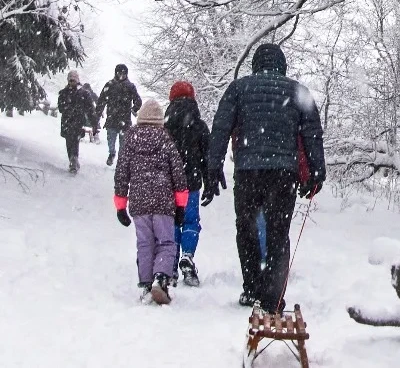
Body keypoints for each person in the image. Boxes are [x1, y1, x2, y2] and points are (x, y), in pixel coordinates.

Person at [203, 43, 325, 312]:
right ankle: (273, 298)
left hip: (248, 172)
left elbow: (220, 128)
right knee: (278, 234)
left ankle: (252, 289)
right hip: (284, 174)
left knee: (246, 231)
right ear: (282, 65)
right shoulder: (297, 91)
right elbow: (313, 133)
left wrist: (213, 168)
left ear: (255, 64)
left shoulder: (238, 89)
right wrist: (317, 171)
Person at [113, 100, 189, 305]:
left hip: (139, 202)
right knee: (166, 242)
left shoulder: (130, 139)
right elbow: (178, 174)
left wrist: (120, 204)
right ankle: (161, 277)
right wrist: (181, 204)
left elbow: (121, 172)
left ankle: (146, 283)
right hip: (163, 201)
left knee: (145, 243)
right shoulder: (165, 139)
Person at [164, 81, 209, 287]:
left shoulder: (165, 126)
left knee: (172, 221)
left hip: (169, 183)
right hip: (191, 182)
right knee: (191, 221)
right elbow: (208, 156)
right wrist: (210, 180)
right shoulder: (199, 126)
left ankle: (171, 263)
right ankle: (187, 255)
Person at [96, 64, 143, 166]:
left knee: (123, 145)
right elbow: (101, 101)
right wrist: (98, 114)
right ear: (116, 73)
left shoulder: (130, 86)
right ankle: (112, 154)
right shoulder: (109, 85)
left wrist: (134, 109)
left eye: (124, 73)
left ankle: (121, 161)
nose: (122, 75)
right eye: (119, 73)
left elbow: (138, 101)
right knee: (111, 141)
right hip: (112, 119)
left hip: (124, 120)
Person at [56, 70, 96, 174]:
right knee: (69, 142)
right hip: (67, 121)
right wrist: (68, 109)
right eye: (70, 80)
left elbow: (90, 109)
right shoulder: (64, 93)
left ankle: (74, 160)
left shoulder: (84, 93)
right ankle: (72, 159)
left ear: (77, 80)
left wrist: (94, 123)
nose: (72, 82)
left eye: (74, 80)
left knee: (75, 141)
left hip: (78, 122)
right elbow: (60, 107)